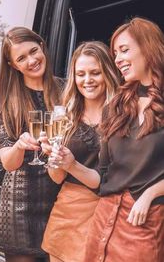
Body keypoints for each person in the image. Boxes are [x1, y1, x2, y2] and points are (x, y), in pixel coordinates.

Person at [50, 17, 164, 262]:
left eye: (125, 50)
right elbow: (103, 176)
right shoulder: (116, 107)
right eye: (115, 53)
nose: (119, 58)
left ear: (148, 47)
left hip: (144, 220)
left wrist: (150, 193)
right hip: (104, 217)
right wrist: (69, 164)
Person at [40, 41, 121, 262]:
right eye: (81, 74)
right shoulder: (64, 116)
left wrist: (72, 164)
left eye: (95, 73)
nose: (88, 80)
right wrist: (53, 159)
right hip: (68, 213)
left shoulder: (123, 115)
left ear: (108, 73)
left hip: (108, 213)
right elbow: (57, 177)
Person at [0, 26, 64, 262]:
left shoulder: (66, 89)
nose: (32, 60)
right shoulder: (9, 101)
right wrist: (19, 146)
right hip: (20, 206)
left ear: (42, 46)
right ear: (13, 65)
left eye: (33, 51)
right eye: (21, 58)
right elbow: (9, 164)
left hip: (61, 199)